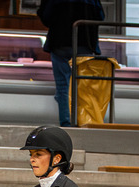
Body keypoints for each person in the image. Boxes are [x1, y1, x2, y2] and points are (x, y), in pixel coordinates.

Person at [37, 0, 105, 128]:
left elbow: (46, 17)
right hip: (85, 43)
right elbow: (100, 17)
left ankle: (67, 123)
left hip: (60, 43)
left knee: (63, 85)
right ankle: (84, 121)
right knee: (83, 86)